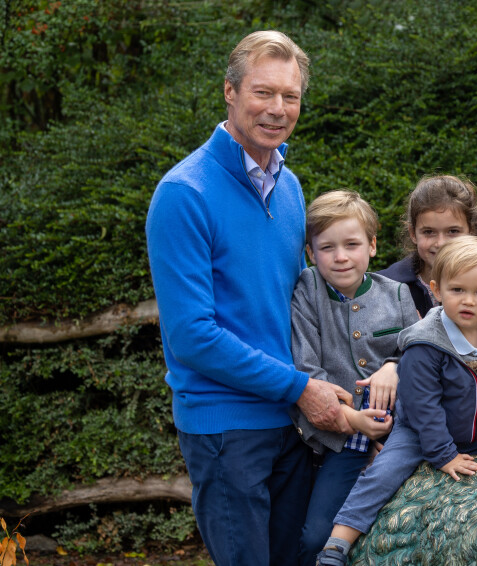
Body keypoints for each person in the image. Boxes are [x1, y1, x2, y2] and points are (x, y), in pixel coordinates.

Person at [146, 31, 354, 566]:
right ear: (230, 92)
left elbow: (304, 305)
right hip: (226, 429)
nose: (277, 109)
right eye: (263, 93)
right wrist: (300, 387)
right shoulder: (184, 193)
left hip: (290, 423)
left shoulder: (289, 188)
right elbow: (192, 337)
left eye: (290, 96)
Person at [316, 236, 477, 566]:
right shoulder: (425, 340)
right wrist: (444, 455)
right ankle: (338, 541)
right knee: (382, 475)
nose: (468, 301)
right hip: (420, 434)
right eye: (457, 290)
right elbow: (424, 405)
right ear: (436, 289)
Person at [289, 190, 421, 564]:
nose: (341, 256)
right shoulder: (307, 292)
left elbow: (423, 352)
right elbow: (307, 370)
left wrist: (395, 366)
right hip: (344, 442)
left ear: (372, 246)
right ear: (312, 254)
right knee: (316, 539)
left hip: (408, 433)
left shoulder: (396, 294)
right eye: (327, 247)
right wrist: (355, 423)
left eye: (352, 244)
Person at [378, 175, 477, 316]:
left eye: (453, 231)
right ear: (413, 233)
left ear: (471, 231)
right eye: (429, 232)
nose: (441, 243)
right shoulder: (386, 288)